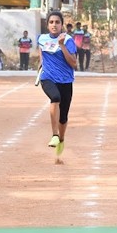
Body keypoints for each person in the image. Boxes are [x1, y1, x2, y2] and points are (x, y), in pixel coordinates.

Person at [37, 10, 77, 157]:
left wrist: (62, 46)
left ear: (62, 25)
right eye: (51, 22)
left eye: (57, 22)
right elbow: (42, 54)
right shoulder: (41, 39)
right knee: (55, 98)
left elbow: (74, 64)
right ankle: (54, 135)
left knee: (63, 117)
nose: (54, 25)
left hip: (65, 81)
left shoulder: (68, 40)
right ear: (47, 25)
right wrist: (40, 65)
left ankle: (61, 138)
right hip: (48, 78)